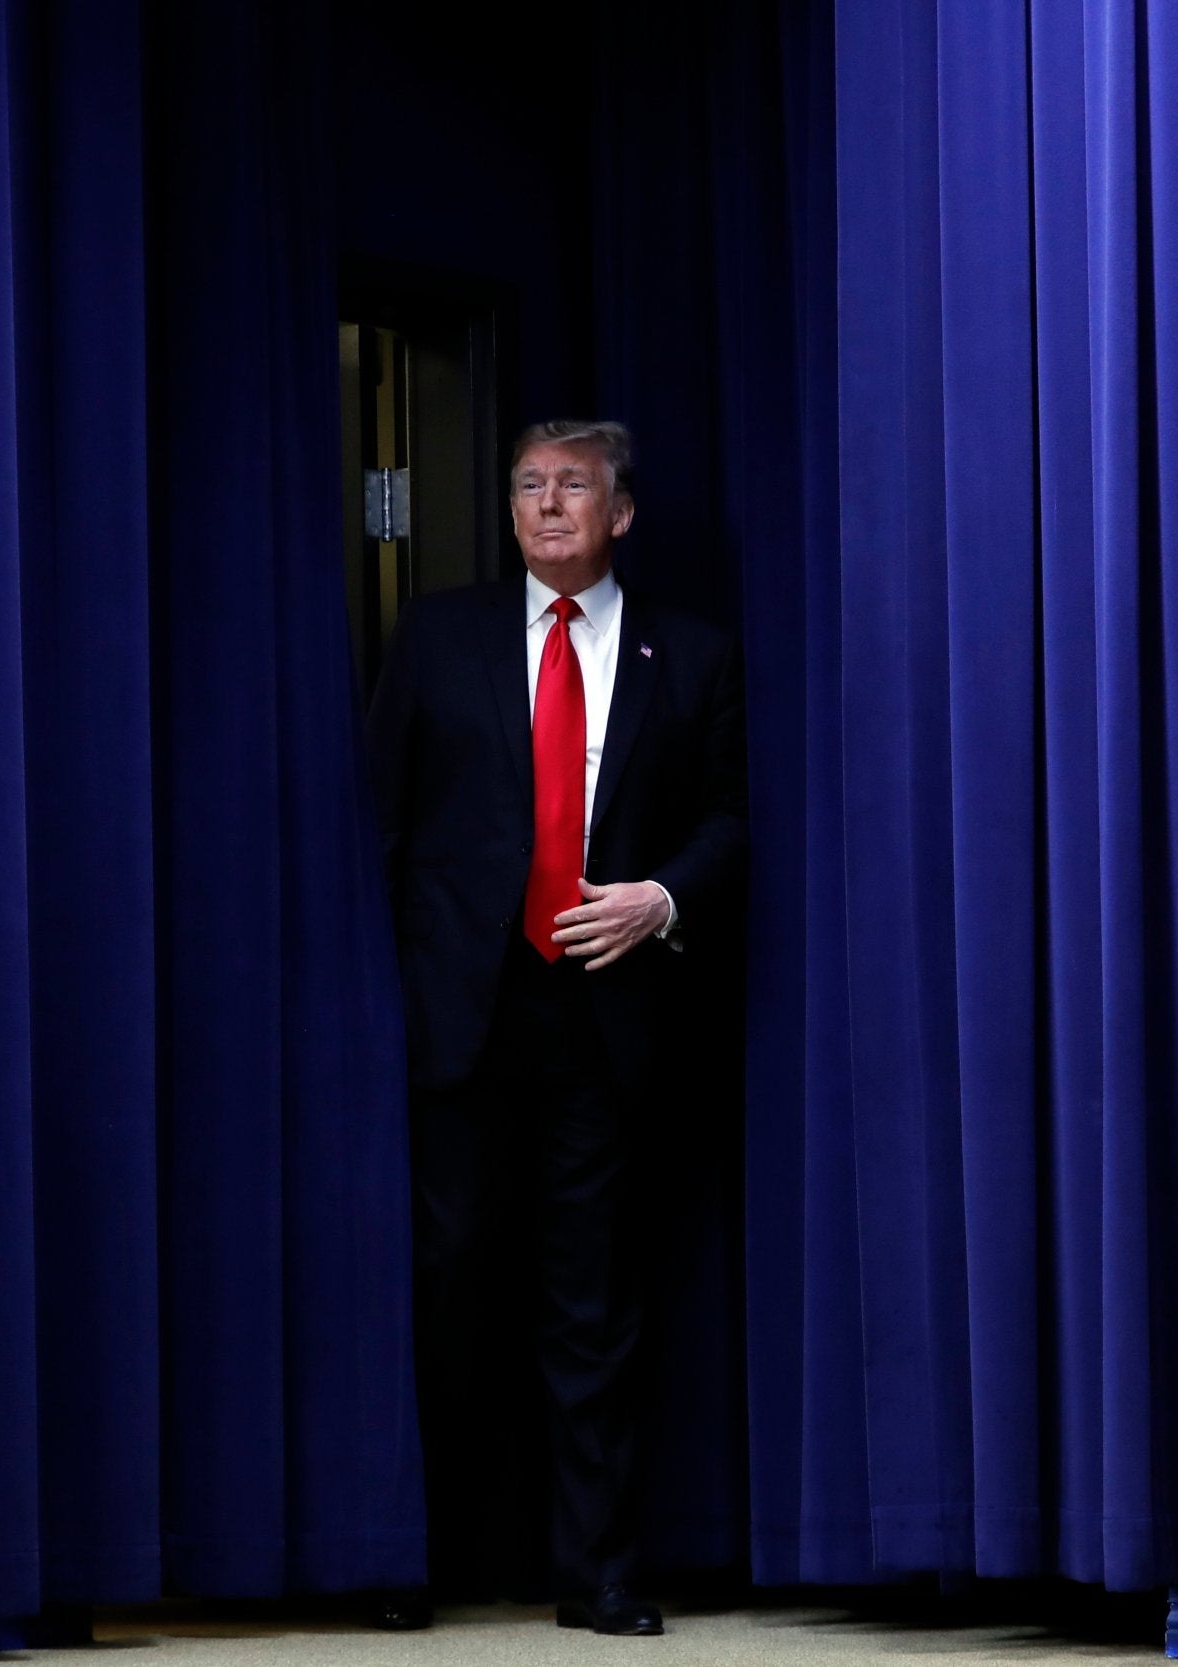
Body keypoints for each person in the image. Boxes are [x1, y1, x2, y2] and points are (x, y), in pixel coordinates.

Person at [363, 420, 747, 1637]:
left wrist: (661, 897)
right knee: (448, 1283)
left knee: (593, 1303)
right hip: (463, 1014)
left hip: (606, 1011)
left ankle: (598, 1572)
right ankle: (417, 1558)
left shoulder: (692, 653)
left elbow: (729, 819)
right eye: (527, 485)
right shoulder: (437, 637)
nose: (544, 504)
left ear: (618, 512)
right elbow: (380, 819)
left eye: (571, 486)